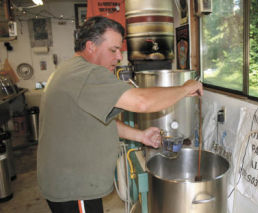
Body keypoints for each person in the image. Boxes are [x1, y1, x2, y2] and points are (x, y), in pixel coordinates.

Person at [37, 16, 203, 213]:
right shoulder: (87, 74)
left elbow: (93, 120)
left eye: (120, 51)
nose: (118, 57)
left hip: (66, 180)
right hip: (75, 187)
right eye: (113, 50)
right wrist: (185, 88)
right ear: (91, 46)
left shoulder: (71, 71)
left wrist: (140, 136)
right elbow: (142, 102)